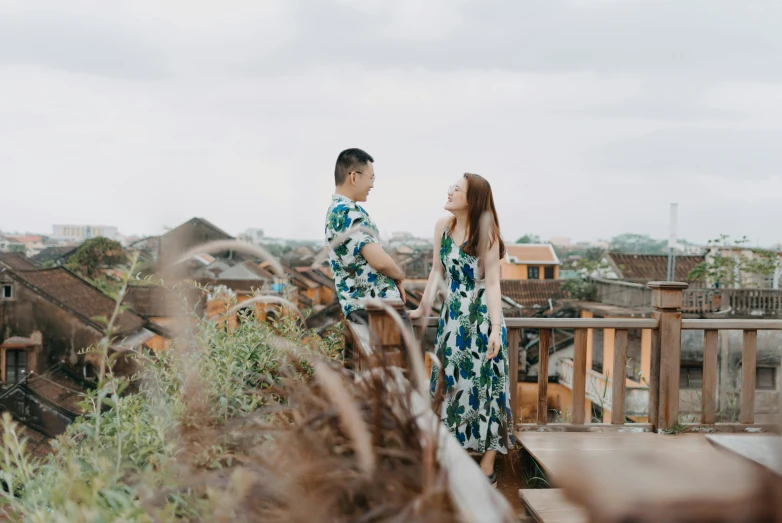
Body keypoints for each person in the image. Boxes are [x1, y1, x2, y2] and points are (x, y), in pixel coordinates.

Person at [409, 173, 513, 487]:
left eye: (458, 188)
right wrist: (422, 308)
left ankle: (487, 464)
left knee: (489, 387)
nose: (450, 190)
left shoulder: (488, 233)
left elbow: (493, 285)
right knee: (450, 385)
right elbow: (436, 273)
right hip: (452, 319)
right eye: (452, 186)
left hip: (482, 319)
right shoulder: (443, 227)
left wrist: (495, 330)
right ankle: (450, 457)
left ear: (473, 199)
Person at [324, 148, 407, 353]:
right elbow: (379, 260)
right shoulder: (346, 212)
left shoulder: (341, 211)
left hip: (368, 308)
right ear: (354, 176)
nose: (372, 185)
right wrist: (399, 277)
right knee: (397, 375)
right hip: (376, 310)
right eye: (371, 178)